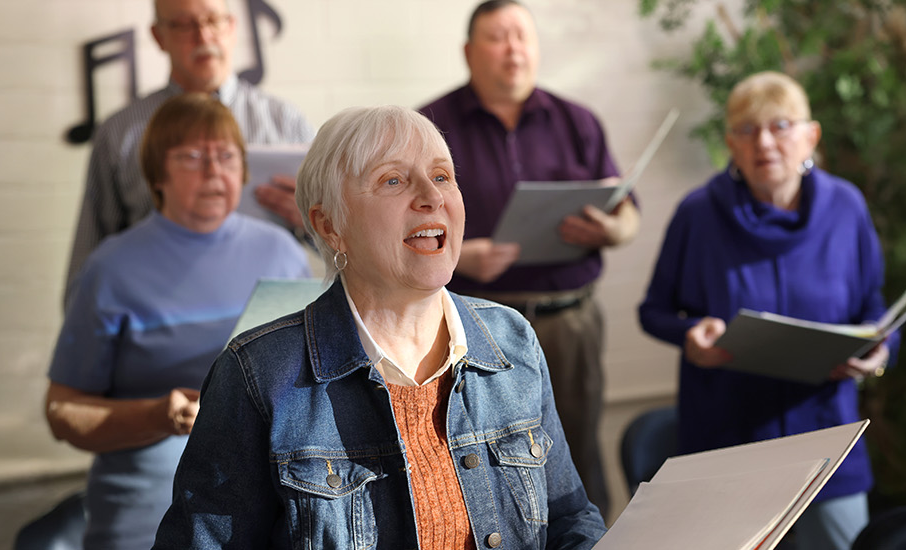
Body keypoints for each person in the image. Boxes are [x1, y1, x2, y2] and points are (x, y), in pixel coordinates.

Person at [154, 105, 604, 549]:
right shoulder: (256, 374)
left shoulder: (511, 340)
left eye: (443, 176)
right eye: (393, 180)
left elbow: (570, 519)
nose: (432, 196)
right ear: (330, 225)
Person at [637, 71, 894, 550]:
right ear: (731, 143)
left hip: (825, 434)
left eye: (780, 126)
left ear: (810, 136)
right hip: (725, 434)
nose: (765, 142)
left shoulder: (847, 208)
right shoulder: (697, 214)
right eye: (747, 130)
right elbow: (653, 311)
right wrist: (691, 336)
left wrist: (878, 356)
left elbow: (874, 308)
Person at [46, 93, 311, 550]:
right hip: (145, 504)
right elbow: (63, 412)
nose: (213, 171)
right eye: (191, 156)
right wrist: (158, 415)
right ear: (157, 174)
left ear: (244, 170)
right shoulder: (110, 268)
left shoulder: (283, 254)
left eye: (226, 156)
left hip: (269, 504)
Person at [414, 0, 638, 511]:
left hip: (569, 321)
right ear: (469, 53)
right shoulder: (428, 126)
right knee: (478, 463)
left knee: (577, 456)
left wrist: (610, 228)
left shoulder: (577, 121)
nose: (512, 49)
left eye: (522, 36)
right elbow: (404, 222)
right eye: (497, 38)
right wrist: (459, 257)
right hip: (473, 324)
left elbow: (628, 214)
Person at [67, 0, 315, 297]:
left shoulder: (285, 123)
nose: (203, 36)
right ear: (159, 36)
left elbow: (340, 244)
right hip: (160, 316)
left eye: (213, 21)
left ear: (232, 27)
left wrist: (312, 222)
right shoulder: (120, 133)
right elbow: (92, 251)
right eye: (184, 25)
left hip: (267, 316)